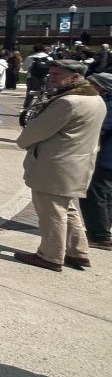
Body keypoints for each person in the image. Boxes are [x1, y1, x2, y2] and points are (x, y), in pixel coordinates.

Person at [13, 60, 105, 271]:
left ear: (75, 77)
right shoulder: (95, 99)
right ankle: (78, 251)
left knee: (51, 210)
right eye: (51, 73)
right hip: (77, 162)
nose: (52, 77)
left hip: (57, 163)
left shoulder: (68, 102)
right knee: (67, 208)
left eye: (58, 74)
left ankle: (50, 255)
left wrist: (23, 141)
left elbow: (38, 130)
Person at [81, 72, 112, 251]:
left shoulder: (108, 104)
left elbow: (99, 127)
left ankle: (99, 235)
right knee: (105, 193)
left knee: (95, 193)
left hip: (105, 157)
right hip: (106, 157)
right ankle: (103, 229)